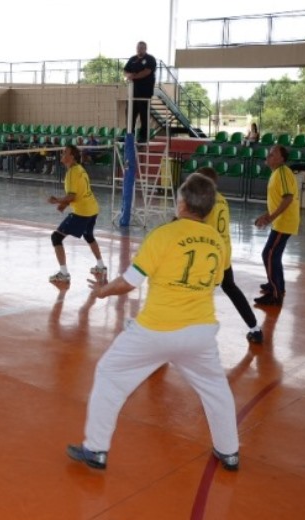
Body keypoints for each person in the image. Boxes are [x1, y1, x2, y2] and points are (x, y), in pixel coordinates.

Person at [67, 174, 239, 472]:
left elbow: (130, 282)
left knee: (110, 374)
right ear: (209, 208)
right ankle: (230, 452)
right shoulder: (217, 241)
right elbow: (219, 279)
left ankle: (96, 449)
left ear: (181, 203)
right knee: (215, 388)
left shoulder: (163, 235)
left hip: (156, 329)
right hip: (200, 332)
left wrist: (101, 292)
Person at [196, 167, 263, 344]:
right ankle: (255, 328)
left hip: (209, 257)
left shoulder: (203, 203)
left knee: (193, 293)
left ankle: (182, 335)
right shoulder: (222, 200)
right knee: (230, 288)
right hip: (224, 254)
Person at [47, 145, 106, 284]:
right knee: (88, 235)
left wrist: (57, 201)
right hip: (92, 209)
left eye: (65, 152)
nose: (62, 154)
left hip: (83, 212)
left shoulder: (72, 172)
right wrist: (64, 204)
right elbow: (77, 193)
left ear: (72, 156)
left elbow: (72, 196)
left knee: (56, 237)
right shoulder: (80, 169)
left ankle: (64, 273)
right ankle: (101, 266)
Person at [253, 145, 300, 306]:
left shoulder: (283, 173)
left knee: (269, 255)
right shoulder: (276, 173)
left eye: (273, 154)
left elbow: (287, 198)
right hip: (280, 221)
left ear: (281, 159)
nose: (269, 155)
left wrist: (270, 218)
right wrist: (267, 216)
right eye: (269, 153)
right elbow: (277, 200)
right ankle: (277, 285)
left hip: (284, 222)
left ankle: (275, 294)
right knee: (274, 255)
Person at [123, 41, 157, 143]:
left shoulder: (150, 59)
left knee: (144, 115)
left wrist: (134, 77)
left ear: (145, 48)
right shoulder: (132, 59)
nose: (140, 49)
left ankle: (143, 136)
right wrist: (128, 75)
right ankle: (130, 135)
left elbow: (147, 72)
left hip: (144, 93)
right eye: (138, 47)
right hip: (132, 93)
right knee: (130, 114)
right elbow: (125, 71)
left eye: (142, 47)